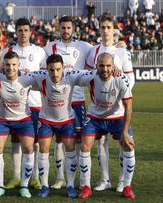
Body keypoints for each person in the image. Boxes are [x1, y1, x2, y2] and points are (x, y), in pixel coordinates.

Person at [86, 14, 135, 193]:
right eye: (103, 27)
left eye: (109, 27)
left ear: (114, 29)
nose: (106, 31)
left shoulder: (122, 51)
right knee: (100, 143)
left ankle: (122, 180)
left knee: (124, 142)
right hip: (99, 108)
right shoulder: (93, 51)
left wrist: (121, 79)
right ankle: (104, 178)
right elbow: (88, 77)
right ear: (99, 29)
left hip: (118, 108)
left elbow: (131, 79)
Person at [43, 16, 93, 190]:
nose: (65, 31)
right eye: (63, 28)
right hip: (58, 101)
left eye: (68, 28)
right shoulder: (49, 47)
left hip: (78, 101)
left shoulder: (85, 47)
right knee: (59, 140)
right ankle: (60, 178)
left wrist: (119, 48)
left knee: (78, 142)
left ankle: (78, 178)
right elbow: (39, 66)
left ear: (73, 29)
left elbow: (102, 56)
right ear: (59, 29)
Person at [32, 54, 91, 198]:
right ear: (46, 69)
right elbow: (19, 75)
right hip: (46, 120)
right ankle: (45, 185)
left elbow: (92, 75)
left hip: (66, 120)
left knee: (70, 151)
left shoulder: (71, 76)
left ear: (63, 68)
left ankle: (70, 184)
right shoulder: (40, 77)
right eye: (51, 70)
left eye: (58, 69)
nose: (55, 73)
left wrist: (113, 69)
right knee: (43, 150)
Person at [78, 52, 136, 199]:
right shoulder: (90, 76)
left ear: (113, 66)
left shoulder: (121, 79)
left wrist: (124, 131)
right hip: (95, 117)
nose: (105, 69)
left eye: (108, 66)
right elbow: (69, 76)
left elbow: (128, 105)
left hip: (117, 118)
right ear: (96, 65)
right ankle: (86, 187)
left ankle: (127, 186)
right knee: (84, 146)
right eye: (102, 66)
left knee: (128, 145)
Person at [0, 18, 46, 190]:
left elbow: (46, 72)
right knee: (15, 141)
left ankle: (35, 178)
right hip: (14, 105)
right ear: (16, 32)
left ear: (30, 32)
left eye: (26, 30)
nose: (23, 33)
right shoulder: (9, 50)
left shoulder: (39, 51)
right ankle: (16, 177)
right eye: (20, 30)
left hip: (35, 103)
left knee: (34, 143)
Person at [0, 51, 35, 198]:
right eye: (7, 64)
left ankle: (24, 186)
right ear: (3, 65)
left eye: (14, 64)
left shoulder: (28, 79)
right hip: (2, 120)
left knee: (28, 148)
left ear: (19, 65)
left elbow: (47, 78)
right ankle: (0, 185)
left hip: (23, 120)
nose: (11, 68)